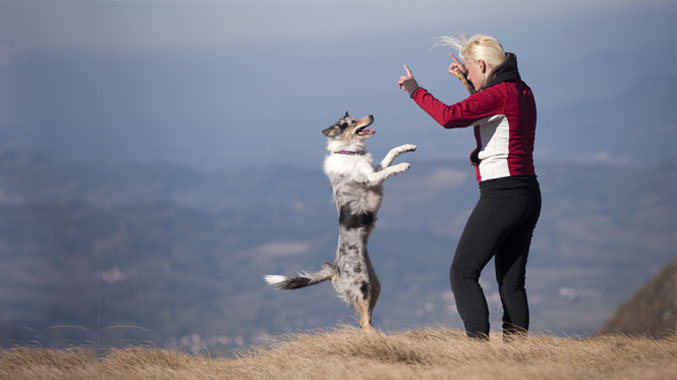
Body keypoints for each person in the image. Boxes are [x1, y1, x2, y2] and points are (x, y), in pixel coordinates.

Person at [397, 34, 541, 340]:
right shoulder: (521, 90)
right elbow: (486, 109)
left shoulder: (500, 93)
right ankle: (519, 360)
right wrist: (466, 80)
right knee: (511, 284)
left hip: (502, 194)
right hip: (528, 193)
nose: (470, 77)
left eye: (472, 71)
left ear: (483, 64)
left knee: (462, 273)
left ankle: (479, 356)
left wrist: (415, 91)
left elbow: (451, 117)